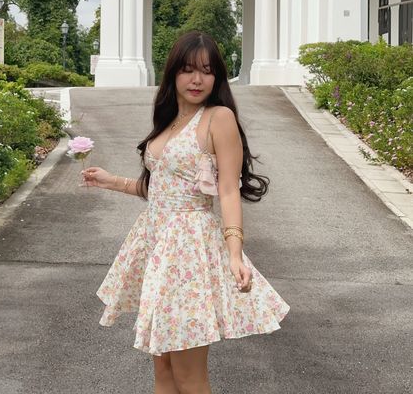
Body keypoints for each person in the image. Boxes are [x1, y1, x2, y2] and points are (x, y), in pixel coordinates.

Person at [82, 31, 289, 394]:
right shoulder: (170, 120)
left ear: (218, 77)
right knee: (162, 368)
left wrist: (234, 251)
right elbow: (160, 189)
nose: (197, 80)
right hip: (157, 244)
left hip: (189, 251)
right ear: (173, 74)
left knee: (189, 375)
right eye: (188, 70)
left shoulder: (218, 118)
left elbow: (228, 189)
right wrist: (109, 181)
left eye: (207, 71)